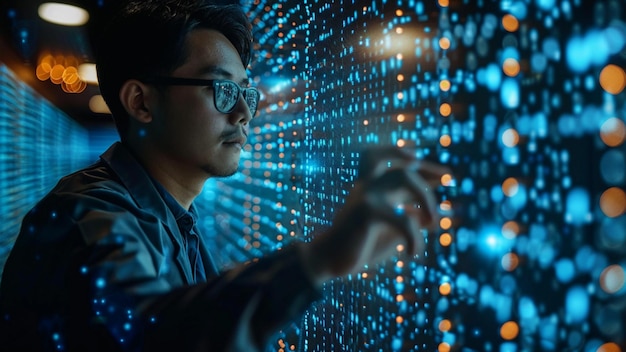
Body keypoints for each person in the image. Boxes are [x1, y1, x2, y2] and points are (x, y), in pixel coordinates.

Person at [0, 0, 447, 351]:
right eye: (222, 89)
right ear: (141, 102)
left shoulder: (174, 220)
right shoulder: (85, 216)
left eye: (246, 92)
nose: (243, 113)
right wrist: (317, 261)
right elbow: (149, 335)